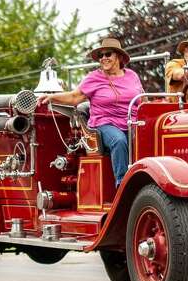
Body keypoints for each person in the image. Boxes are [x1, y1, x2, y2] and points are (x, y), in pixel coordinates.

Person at [39, 38, 140, 185]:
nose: (103, 58)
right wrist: (51, 97)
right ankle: (123, 185)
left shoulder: (132, 76)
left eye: (108, 54)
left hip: (132, 122)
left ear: (118, 56)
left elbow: (142, 99)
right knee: (119, 141)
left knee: (152, 136)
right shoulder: (94, 78)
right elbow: (75, 97)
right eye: (101, 55)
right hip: (104, 124)